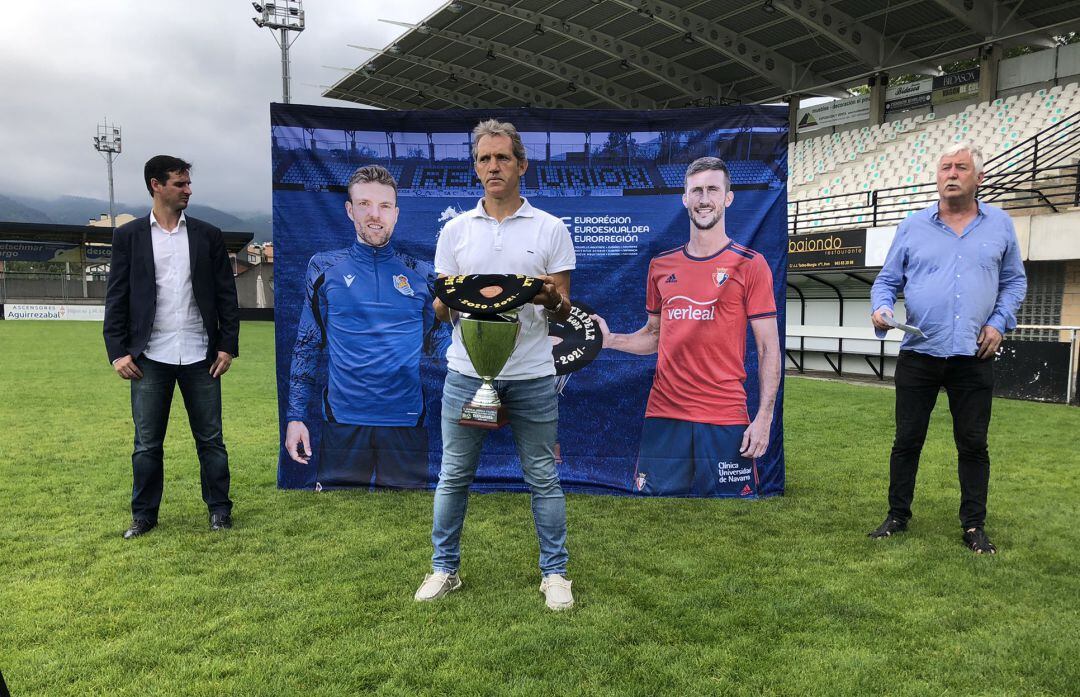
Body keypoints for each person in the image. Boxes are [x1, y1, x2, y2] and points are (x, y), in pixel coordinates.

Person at [414, 119, 577, 610]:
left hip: (531, 374)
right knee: (454, 474)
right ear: (476, 168)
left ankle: (555, 574)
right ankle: (444, 569)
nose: (493, 167)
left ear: (521, 164)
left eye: (502, 158)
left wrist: (550, 297)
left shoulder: (550, 228)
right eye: (484, 159)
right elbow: (443, 310)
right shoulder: (455, 231)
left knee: (543, 476)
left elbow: (566, 307)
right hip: (467, 372)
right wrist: (445, 302)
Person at [868, 141, 1027, 554]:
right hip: (919, 351)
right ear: (937, 177)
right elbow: (887, 281)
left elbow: (1014, 282)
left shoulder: (1000, 225)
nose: (951, 174)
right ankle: (897, 514)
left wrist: (998, 322)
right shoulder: (912, 226)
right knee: (907, 440)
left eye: (960, 167)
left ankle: (973, 525)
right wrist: (882, 307)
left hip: (973, 355)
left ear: (979, 177)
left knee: (973, 444)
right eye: (944, 168)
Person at [593, 157, 780, 497]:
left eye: (712, 189)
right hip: (665, 412)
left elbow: (768, 348)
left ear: (728, 198)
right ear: (684, 198)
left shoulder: (752, 265)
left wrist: (764, 417)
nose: (703, 199)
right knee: (655, 515)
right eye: (696, 190)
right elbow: (653, 335)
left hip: (725, 414)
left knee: (730, 518)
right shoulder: (661, 266)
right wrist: (608, 340)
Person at [103, 155, 240, 538]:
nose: (188, 190)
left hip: (201, 355)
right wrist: (118, 352)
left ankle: (219, 510)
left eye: (188, 183)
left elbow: (226, 296)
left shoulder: (207, 235)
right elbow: (117, 298)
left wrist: (227, 345)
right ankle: (144, 515)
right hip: (149, 358)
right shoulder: (128, 236)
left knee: (211, 440)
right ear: (155, 185)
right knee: (147, 444)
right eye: (180, 184)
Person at [285, 165, 434, 489]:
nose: (374, 215)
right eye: (365, 204)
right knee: (340, 528)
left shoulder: (424, 274)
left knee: (408, 528)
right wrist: (295, 416)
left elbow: (439, 338)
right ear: (350, 210)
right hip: (343, 423)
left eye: (383, 206)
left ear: (395, 213)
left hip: (406, 422)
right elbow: (307, 343)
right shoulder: (323, 268)